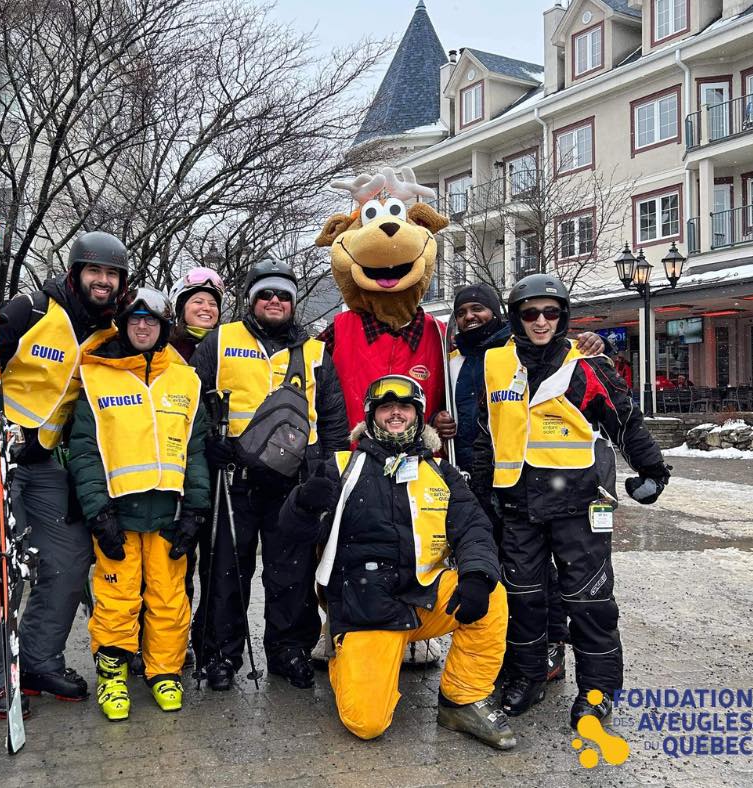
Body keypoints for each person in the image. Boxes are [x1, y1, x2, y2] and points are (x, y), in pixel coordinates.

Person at [0, 230, 128, 715]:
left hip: (37, 458)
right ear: (75, 274)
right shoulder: (35, 309)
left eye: (111, 274)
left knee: (68, 554)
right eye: (95, 272)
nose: (103, 281)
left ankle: (39, 662)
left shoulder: (106, 332)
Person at [473, 273, 670, 728]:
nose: (540, 321)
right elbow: (487, 434)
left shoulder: (586, 365)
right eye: (529, 313)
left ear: (563, 316)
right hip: (518, 503)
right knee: (523, 598)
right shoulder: (496, 364)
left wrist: (653, 471)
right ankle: (528, 675)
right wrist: (483, 495)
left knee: (589, 600)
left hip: (577, 504)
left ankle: (598, 692)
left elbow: (626, 421)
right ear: (515, 318)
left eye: (550, 312)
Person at [279, 375, 514, 747]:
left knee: (492, 594)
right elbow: (291, 532)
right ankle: (346, 651)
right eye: (386, 407)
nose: (395, 414)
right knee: (367, 724)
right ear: (372, 415)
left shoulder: (440, 471)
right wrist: (304, 502)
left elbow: (474, 528)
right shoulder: (341, 465)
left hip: (421, 598)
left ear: (418, 415)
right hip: (364, 606)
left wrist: (477, 574)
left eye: (404, 407)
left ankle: (461, 699)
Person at [190, 258, 349, 691]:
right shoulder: (219, 341)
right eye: (266, 294)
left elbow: (333, 418)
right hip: (233, 481)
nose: (275, 301)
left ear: (293, 303)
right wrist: (208, 441)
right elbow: (190, 401)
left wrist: (328, 477)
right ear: (252, 299)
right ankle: (220, 655)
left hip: (292, 486)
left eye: (283, 295)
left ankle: (289, 650)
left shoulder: (315, 351)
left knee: (291, 573)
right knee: (225, 572)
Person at [445, 283, 607, 683]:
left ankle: (551, 647)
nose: (470, 316)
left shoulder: (514, 347)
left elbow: (563, 359)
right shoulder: (454, 357)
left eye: (478, 309)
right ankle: (512, 656)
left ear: (500, 314)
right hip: (478, 475)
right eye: (463, 310)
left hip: (529, 479)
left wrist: (593, 341)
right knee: (507, 572)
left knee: (544, 576)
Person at [67, 287, 210, 720]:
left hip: (169, 515)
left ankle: (164, 671)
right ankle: (112, 676)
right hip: (118, 516)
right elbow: (85, 451)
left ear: (165, 328)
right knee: (117, 598)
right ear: (124, 325)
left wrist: (197, 511)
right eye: (135, 320)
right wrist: (97, 512)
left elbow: (196, 448)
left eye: (151, 321)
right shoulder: (96, 376)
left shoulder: (185, 379)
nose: (143, 327)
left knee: (170, 598)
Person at [166, 266, 226, 668]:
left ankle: (210, 639)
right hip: (175, 465)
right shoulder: (164, 346)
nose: (205, 309)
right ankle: (169, 639)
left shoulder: (229, 345)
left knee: (216, 562)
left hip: (218, 467)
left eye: (211, 303)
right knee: (176, 560)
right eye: (196, 302)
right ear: (180, 308)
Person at [168, 266, 225, 362]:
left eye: (213, 304)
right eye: (198, 302)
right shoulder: (163, 349)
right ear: (180, 308)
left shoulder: (228, 347)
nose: (207, 308)